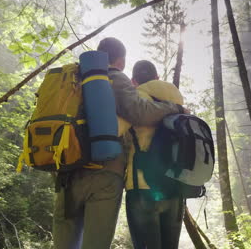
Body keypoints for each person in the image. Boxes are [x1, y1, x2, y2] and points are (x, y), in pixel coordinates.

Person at [52, 38, 186, 249]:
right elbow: (139, 113)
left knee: (63, 244)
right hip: (105, 173)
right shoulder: (115, 78)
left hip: (67, 172)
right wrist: (175, 109)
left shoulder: (73, 78)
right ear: (121, 61)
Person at [125, 60, 185, 249]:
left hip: (141, 186)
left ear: (133, 81)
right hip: (175, 185)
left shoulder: (135, 97)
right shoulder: (176, 96)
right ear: (157, 77)